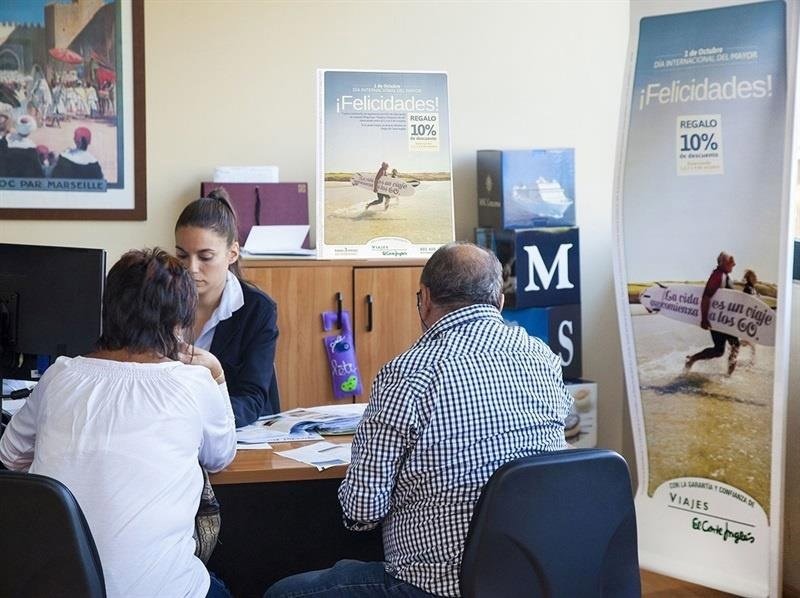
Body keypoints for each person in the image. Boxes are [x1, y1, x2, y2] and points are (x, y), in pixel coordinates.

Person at [265, 242, 573, 598]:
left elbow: (362, 510)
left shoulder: (408, 373)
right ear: (500, 301)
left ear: (424, 299)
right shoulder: (543, 357)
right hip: (535, 577)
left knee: (281, 593)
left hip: (435, 585)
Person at [0, 248, 237, 597]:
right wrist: (217, 374)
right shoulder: (193, 383)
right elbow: (220, 457)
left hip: (58, 587)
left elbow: (9, 456)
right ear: (178, 323)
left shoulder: (60, 375)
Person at [175, 187, 280, 426]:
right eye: (182, 256)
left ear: (232, 253)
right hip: (172, 432)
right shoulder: (159, 300)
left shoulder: (257, 309)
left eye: (205, 257)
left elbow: (251, 400)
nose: (191, 268)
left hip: (235, 433)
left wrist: (191, 417)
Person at [685, 251, 740, 374]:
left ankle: (692, 359)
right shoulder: (717, 276)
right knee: (731, 347)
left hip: (725, 320)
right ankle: (728, 377)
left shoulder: (725, 276)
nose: (734, 264)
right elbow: (706, 296)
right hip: (718, 319)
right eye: (731, 261)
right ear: (723, 262)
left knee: (721, 350)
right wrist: (704, 319)